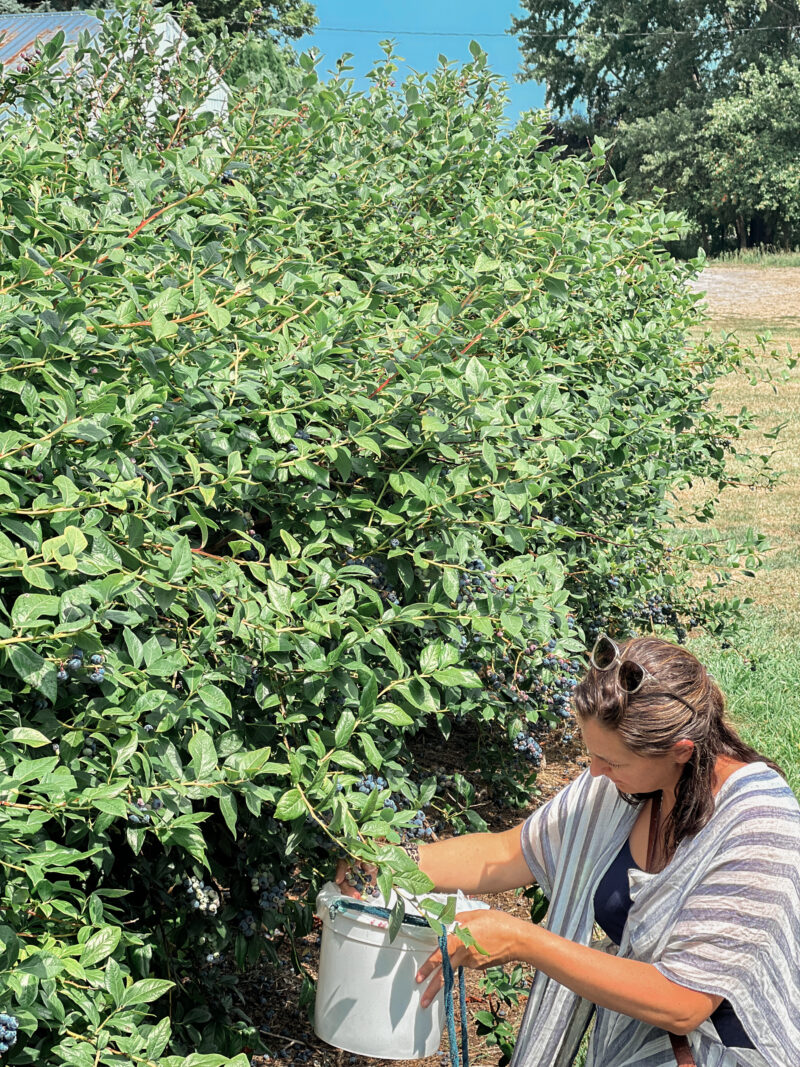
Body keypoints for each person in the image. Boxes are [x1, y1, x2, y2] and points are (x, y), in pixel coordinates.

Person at [335, 634, 800, 1067]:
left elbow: (683, 1002)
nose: (594, 772)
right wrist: (388, 862)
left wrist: (523, 941)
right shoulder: (624, 784)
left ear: (680, 750)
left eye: (610, 760)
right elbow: (507, 853)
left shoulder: (760, 825)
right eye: (592, 753)